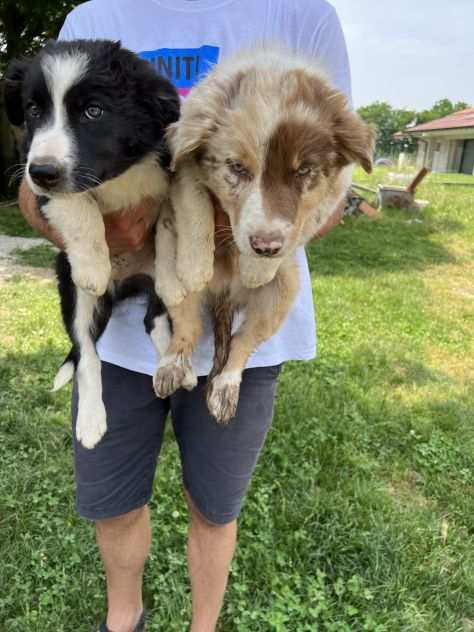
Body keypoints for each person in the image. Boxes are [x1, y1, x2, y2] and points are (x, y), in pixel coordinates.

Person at [19, 1, 351, 630]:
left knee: (214, 507)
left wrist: (251, 238)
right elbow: (38, 187)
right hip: (121, 334)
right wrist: (102, 235)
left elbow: (330, 173)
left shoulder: (301, 12)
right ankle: (124, 619)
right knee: (113, 502)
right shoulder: (95, 13)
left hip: (239, 332)